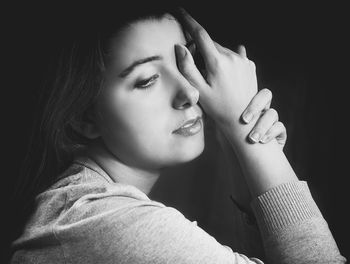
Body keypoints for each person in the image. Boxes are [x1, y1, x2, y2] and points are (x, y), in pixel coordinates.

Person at [9, 4, 346, 264]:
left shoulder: (82, 210)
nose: (190, 92)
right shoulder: (99, 221)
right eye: (146, 80)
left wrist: (245, 157)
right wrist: (258, 146)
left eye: (188, 63)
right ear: (84, 117)